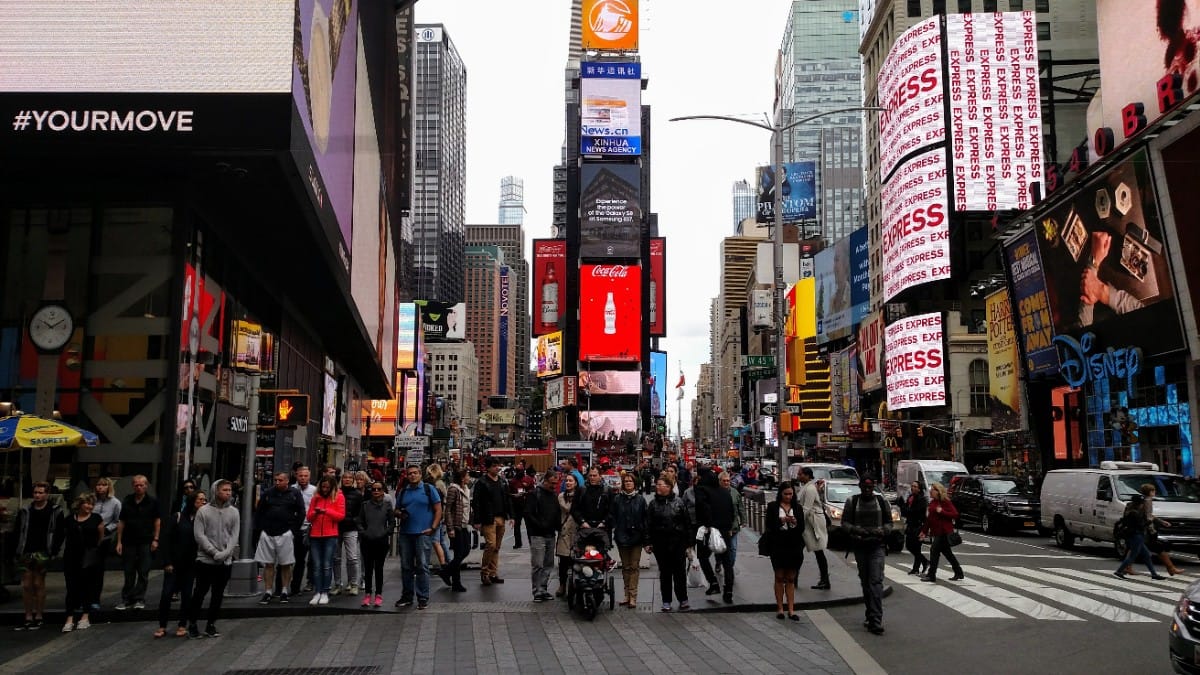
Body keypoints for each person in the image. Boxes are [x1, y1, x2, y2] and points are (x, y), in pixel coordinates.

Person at [189, 479, 239, 639]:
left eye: (229, 490)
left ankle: (211, 624)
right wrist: (213, 552)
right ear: (216, 491)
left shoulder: (234, 512)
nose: (228, 493)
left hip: (224, 561)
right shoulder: (203, 511)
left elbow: (234, 535)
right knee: (200, 593)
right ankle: (193, 624)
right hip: (205, 560)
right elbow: (199, 535)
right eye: (224, 490)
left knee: (218, 595)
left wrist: (225, 554)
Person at [841, 478, 891, 635]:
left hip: (877, 546)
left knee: (875, 582)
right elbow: (845, 523)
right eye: (865, 487)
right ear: (860, 487)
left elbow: (889, 523)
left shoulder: (882, 502)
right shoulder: (852, 501)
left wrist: (882, 531)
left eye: (870, 487)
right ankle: (870, 614)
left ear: (873, 486)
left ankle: (876, 620)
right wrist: (857, 530)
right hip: (860, 547)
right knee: (865, 582)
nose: (867, 489)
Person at [53, 492, 104, 633]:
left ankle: (85, 616)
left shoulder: (96, 518)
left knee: (87, 586)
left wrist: (93, 550)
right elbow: (63, 536)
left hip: (88, 556)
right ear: (79, 504)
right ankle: (69, 618)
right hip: (71, 556)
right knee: (71, 587)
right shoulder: (69, 520)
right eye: (87, 503)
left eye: (92, 504)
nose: (89, 506)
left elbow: (100, 536)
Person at [155, 490, 203, 638]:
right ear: (192, 501)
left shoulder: (201, 520)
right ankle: (162, 625)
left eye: (204, 500)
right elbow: (166, 539)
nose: (203, 502)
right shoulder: (178, 517)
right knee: (167, 594)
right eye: (200, 499)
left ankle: (182, 624)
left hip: (191, 563)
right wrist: (167, 561)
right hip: (174, 563)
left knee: (187, 595)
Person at [395, 465, 442, 610]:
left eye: (415, 473)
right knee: (406, 566)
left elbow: (438, 509)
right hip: (406, 533)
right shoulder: (403, 492)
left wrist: (433, 527)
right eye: (410, 474)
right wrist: (399, 513)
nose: (412, 476)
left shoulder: (429, 489)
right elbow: (396, 509)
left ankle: (423, 597)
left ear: (420, 474)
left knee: (422, 566)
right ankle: (407, 596)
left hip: (423, 533)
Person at [13, 482, 58, 631]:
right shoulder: (26, 510)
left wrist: (54, 551)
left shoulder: (54, 510)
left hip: (43, 550)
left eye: (40, 492)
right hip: (26, 550)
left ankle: (39, 615)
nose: (37, 495)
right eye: (35, 492)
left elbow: (58, 532)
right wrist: (15, 550)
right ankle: (27, 615)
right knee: (26, 585)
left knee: (39, 583)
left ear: (47, 494)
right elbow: (18, 530)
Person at [254, 472, 304, 604]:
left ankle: (284, 590)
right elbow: (259, 511)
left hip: (285, 532)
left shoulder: (294, 494)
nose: (277, 482)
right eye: (276, 480)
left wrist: (293, 530)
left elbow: (301, 512)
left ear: (287, 481)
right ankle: (268, 591)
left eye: (280, 480)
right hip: (268, 531)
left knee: (286, 564)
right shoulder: (268, 493)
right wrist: (261, 529)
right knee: (268, 564)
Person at [645, 476, 691, 612]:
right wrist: (647, 542)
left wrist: (689, 543)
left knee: (679, 573)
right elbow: (648, 524)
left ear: (668, 487)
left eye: (660, 484)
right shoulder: (653, 504)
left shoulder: (679, 503)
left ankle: (683, 599)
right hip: (660, 543)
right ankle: (666, 600)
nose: (657, 487)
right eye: (657, 484)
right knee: (665, 573)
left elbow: (687, 523)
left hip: (678, 543)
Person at [115, 474, 161, 611]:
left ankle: (139, 598)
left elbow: (157, 521)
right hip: (129, 540)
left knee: (143, 571)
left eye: (141, 485)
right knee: (128, 571)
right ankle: (126, 598)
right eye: (136, 485)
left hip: (146, 540)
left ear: (146, 486)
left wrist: (156, 539)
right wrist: (119, 541)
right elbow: (121, 521)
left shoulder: (152, 502)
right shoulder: (127, 500)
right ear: (133, 486)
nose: (139, 487)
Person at [695, 468, 735, 603]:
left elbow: (702, 509)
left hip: (709, 530)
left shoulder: (701, 490)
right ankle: (728, 590)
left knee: (702, 556)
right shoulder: (725, 492)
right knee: (727, 561)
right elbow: (731, 510)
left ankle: (713, 583)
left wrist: (707, 524)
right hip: (724, 530)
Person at [765, 482, 804, 620]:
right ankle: (780, 608)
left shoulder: (798, 508)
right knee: (779, 576)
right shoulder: (772, 507)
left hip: (794, 546)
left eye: (790, 494)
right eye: (786, 494)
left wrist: (794, 522)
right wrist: (781, 521)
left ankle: (791, 609)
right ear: (780, 494)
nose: (788, 497)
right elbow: (769, 526)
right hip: (778, 546)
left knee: (791, 578)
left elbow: (802, 528)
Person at [471, 457, 511, 586]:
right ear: (488, 468)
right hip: (488, 518)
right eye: (494, 466)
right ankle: (485, 572)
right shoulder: (481, 482)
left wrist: (511, 515)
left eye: (498, 465)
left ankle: (493, 572)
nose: (497, 468)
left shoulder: (502, 481)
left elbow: (507, 498)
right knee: (491, 545)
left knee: (496, 547)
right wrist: (477, 520)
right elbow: (476, 502)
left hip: (501, 516)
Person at [523, 470, 562, 602]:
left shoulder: (553, 495)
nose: (554, 486)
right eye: (552, 483)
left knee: (548, 564)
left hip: (550, 534)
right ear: (545, 481)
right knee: (538, 564)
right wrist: (540, 525)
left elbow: (556, 513)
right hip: (538, 534)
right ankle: (537, 590)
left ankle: (543, 589)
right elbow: (528, 513)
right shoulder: (535, 494)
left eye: (556, 484)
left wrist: (558, 527)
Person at [306, 475, 344, 606]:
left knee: (327, 565)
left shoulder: (338, 496)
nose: (325, 489)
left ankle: (325, 592)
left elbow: (340, 516)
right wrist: (316, 512)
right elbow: (309, 517)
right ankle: (317, 591)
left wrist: (326, 511)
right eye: (323, 487)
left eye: (328, 487)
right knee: (316, 565)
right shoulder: (316, 498)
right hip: (315, 535)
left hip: (330, 535)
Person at [356, 481, 395, 607]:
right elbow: (359, 521)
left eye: (379, 489)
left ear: (383, 491)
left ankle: (378, 594)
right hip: (367, 541)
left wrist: (386, 532)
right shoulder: (365, 505)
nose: (376, 491)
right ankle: (367, 594)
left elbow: (392, 522)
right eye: (374, 489)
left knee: (379, 569)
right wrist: (364, 532)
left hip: (381, 542)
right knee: (368, 569)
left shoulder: (387, 505)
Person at [610, 473, 647, 607]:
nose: (628, 483)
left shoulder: (640, 500)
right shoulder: (617, 499)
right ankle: (626, 594)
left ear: (635, 483)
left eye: (630, 481)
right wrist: (616, 528)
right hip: (622, 536)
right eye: (626, 481)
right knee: (625, 567)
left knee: (634, 567)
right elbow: (613, 516)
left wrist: (645, 538)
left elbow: (644, 519)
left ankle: (633, 596)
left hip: (636, 537)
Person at [920, 482, 964, 583]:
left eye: (933, 490)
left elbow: (955, 514)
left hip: (944, 532)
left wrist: (942, 511)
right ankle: (959, 572)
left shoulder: (945, 502)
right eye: (931, 489)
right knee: (948, 553)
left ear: (938, 492)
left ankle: (931, 575)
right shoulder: (932, 503)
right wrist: (924, 531)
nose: (930, 491)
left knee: (934, 551)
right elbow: (929, 519)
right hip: (937, 532)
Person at [1115, 494, 1165, 580]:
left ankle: (1154, 574)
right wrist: (1149, 522)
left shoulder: (1131, 510)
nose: (1143, 504)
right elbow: (1140, 525)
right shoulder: (1134, 513)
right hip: (1136, 535)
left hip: (1135, 535)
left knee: (1147, 555)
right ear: (1138, 503)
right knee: (1133, 555)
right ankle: (1119, 571)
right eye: (1142, 503)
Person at [91, 477, 121, 621]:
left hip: (104, 539)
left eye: (103, 485)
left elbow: (118, 520)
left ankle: (95, 599)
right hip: (89, 537)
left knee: (98, 570)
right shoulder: (91, 500)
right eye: (98, 484)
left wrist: (108, 529)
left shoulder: (115, 503)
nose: (100, 487)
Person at [797, 469, 830, 590]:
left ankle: (825, 579)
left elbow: (806, 508)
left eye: (800, 474)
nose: (798, 476)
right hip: (809, 523)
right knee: (803, 551)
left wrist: (797, 522)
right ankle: (824, 579)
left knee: (818, 551)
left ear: (807, 476)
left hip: (812, 524)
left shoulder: (810, 488)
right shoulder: (807, 486)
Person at [331, 471, 363, 597]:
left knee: (352, 557)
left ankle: (353, 583)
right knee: (336, 558)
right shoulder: (336, 492)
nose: (347, 480)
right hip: (336, 528)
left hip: (351, 528)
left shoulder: (357, 494)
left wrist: (355, 521)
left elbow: (360, 512)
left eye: (350, 478)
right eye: (345, 478)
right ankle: (338, 584)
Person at [439, 469, 471, 592]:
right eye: (467, 475)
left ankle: (446, 572)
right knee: (459, 553)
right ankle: (455, 582)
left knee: (465, 550)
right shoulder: (453, 489)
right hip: (457, 526)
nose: (469, 477)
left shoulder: (466, 489)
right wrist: (450, 527)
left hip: (464, 525)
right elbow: (448, 509)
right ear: (462, 478)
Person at [1140, 483, 1181, 575]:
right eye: (1153, 491)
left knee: (1136, 548)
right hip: (1147, 530)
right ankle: (1171, 568)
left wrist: (1161, 522)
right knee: (1158, 548)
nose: (1154, 492)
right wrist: (1152, 529)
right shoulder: (1148, 501)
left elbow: (1148, 515)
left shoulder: (1143, 500)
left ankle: (1127, 567)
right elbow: (1148, 517)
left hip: (1142, 530)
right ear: (1150, 492)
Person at [289, 467, 317, 596]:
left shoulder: (314, 490)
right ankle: (285, 587)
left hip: (308, 527)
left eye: (306, 476)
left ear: (309, 477)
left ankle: (303, 584)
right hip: (293, 528)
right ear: (296, 476)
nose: (303, 478)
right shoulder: (291, 490)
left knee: (305, 559)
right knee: (290, 559)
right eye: (301, 476)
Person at [554, 473, 580, 597]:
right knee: (563, 562)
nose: (568, 483)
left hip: (576, 532)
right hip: (564, 532)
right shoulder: (561, 497)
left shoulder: (580, 496)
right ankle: (562, 584)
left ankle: (576, 584)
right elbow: (568, 508)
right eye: (566, 481)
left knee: (577, 560)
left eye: (571, 481)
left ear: (576, 483)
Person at [900, 481, 930, 576]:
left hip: (918, 526)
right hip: (910, 525)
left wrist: (905, 508)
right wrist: (903, 506)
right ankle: (924, 562)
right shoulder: (910, 498)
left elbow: (914, 512)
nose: (913, 488)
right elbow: (905, 512)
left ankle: (916, 568)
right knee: (909, 546)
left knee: (916, 547)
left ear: (919, 489)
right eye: (912, 486)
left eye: (915, 486)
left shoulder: (922, 500)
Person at [424, 464, 450, 572]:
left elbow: (444, 499)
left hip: (435, 515)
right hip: (438, 515)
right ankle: (447, 562)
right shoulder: (439, 483)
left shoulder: (436, 484)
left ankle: (445, 563)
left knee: (436, 541)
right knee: (439, 541)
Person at [571, 467, 613, 532]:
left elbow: (612, 510)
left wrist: (604, 522)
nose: (592, 478)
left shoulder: (607, 490)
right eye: (590, 475)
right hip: (585, 527)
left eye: (595, 475)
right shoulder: (581, 490)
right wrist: (582, 522)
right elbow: (574, 509)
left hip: (603, 528)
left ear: (600, 476)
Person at [509, 466, 536, 550]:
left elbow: (534, 490)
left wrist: (527, 491)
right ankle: (518, 543)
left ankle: (532, 543)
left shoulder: (528, 479)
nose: (520, 472)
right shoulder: (513, 481)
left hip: (527, 505)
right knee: (517, 526)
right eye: (518, 471)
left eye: (521, 471)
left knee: (529, 526)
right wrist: (514, 495)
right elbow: (509, 493)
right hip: (517, 506)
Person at [723, 471, 745, 569]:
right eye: (724, 481)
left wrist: (743, 520)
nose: (726, 482)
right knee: (720, 547)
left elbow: (740, 507)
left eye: (728, 480)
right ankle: (719, 562)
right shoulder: (716, 492)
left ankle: (729, 568)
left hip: (733, 525)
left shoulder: (735, 492)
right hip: (721, 526)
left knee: (733, 548)